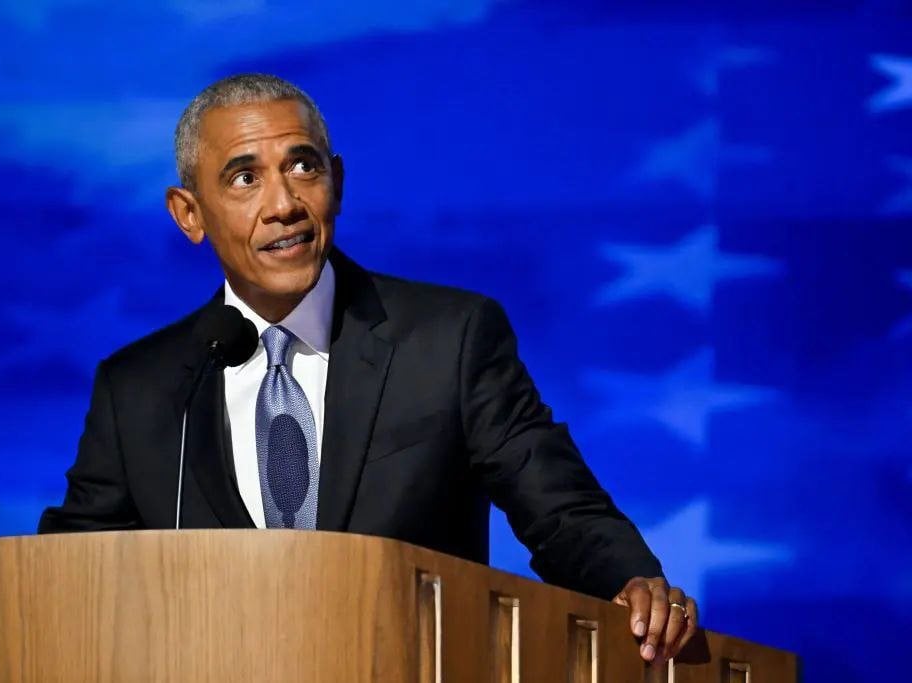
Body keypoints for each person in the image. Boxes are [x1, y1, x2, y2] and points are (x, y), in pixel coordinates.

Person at [39, 73, 697, 663]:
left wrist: (629, 582)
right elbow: (67, 580)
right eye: (245, 177)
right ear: (189, 214)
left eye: (303, 166)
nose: (283, 204)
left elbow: (561, 510)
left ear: (338, 182)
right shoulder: (141, 388)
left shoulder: (448, 339)